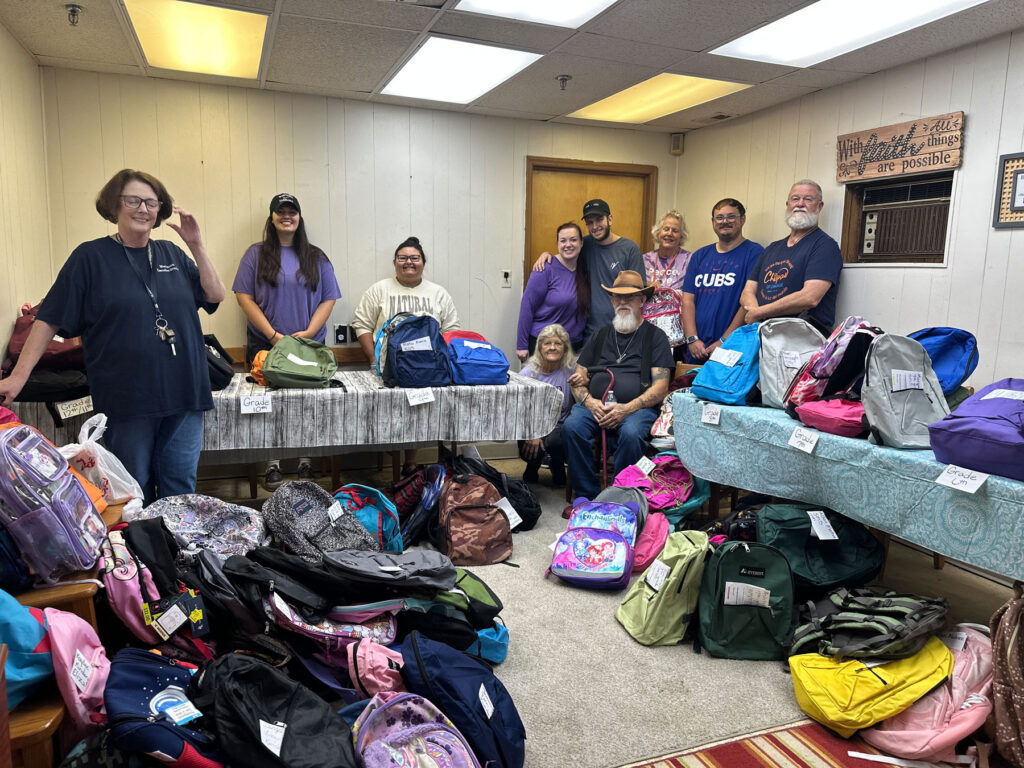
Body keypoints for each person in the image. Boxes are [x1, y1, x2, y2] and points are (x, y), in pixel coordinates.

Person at [0, 169, 225, 503]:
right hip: (128, 396)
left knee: (181, 486)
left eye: (151, 202)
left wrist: (195, 244)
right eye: (133, 200)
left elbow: (215, 295)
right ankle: (138, 553)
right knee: (135, 488)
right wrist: (18, 378)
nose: (143, 209)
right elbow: (48, 319)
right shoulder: (90, 258)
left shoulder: (172, 254)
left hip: (185, 390)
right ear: (114, 205)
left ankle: (176, 553)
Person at [232, 193, 341, 490]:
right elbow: (244, 297)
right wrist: (272, 335)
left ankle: (306, 461)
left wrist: (306, 334)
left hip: (308, 347)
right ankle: (272, 465)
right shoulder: (255, 254)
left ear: (299, 218)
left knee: (307, 407)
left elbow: (329, 298)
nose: (287, 216)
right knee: (269, 408)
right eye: (281, 211)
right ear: (272, 218)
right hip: (265, 345)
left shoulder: (316, 256)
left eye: (292, 211)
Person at [562, 270, 673, 501]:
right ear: (611, 301)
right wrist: (590, 403)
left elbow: (660, 387)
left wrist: (626, 409)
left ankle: (618, 496)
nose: (623, 302)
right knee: (572, 427)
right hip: (595, 406)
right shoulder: (600, 335)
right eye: (617, 297)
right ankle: (587, 495)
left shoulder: (656, 337)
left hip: (636, 409)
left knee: (632, 434)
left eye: (630, 297)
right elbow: (578, 378)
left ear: (642, 300)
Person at [352, 235, 460, 474]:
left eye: (415, 258)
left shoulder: (438, 293)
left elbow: (451, 330)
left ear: (423, 262)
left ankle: (411, 464)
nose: (409, 262)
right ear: (394, 262)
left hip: (428, 372)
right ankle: (393, 462)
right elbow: (361, 324)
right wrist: (373, 360)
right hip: (387, 370)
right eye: (403, 258)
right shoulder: (379, 290)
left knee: (420, 412)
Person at [534, 199, 645, 342]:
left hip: (622, 332)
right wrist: (547, 256)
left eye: (599, 220)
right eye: (589, 222)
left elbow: (638, 293)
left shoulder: (630, 249)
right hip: (588, 334)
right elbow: (566, 253)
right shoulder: (584, 245)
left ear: (610, 219)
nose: (595, 226)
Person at [740, 180, 843, 334]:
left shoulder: (825, 246)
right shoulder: (771, 248)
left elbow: (810, 297)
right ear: (788, 204)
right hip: (764, 333)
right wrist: (756, 314)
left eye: (808, 199)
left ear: (819, 206)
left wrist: (760, 313)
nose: (800, 204)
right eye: (795, 199)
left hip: (800, 339)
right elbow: (748, 291)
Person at [681, 198, 764, 363]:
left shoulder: (755, 253)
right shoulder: (700, 255)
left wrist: (725, 341)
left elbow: (747, 304)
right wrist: (692, 338)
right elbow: (687, 300)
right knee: (689, 387)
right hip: (696, 347)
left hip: (733, 348)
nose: (725, 222)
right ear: (713, 222)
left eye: (731, 216)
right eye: (719, 217)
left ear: (742, 219)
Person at [516, 222, 588, 361]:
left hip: (573, 346)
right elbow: (527, 305)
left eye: (573, 240)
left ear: (581, 243)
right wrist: (521, 345)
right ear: (557, 243)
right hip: (544, 345)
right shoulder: (545, 268)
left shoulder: (584, 268)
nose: (568, 244)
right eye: (563, 240)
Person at [518, 323, 575, 487]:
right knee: (533, 441)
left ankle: (557, 465)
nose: (552, 347)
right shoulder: (527, 373)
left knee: (556, 440)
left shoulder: (572, 371)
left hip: (560, 427)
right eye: (547, 343)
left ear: (564, 348)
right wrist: (533, 432)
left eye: (558, 343)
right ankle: (532, 465)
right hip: (532, 426)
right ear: (540, 347)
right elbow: (519, 410)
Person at [641, 210, 692, 362]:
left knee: (670, 370)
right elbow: (634, 289)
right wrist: (647, 286)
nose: (669, 233)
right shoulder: (644, 259)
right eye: (666, 229)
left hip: (677, 332)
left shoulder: (690, 259)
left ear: (681, 237)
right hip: (647, 328)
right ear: (658, 233)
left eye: (675, 231)